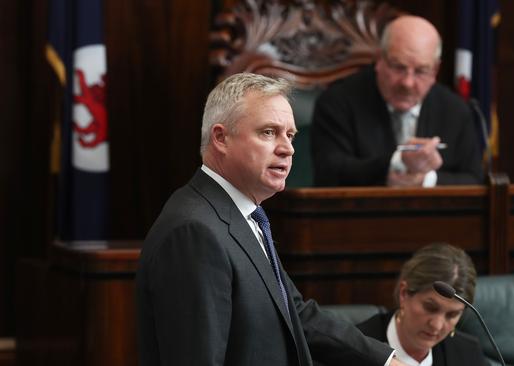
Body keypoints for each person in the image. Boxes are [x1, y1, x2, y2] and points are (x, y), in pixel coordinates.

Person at [136, 73, 409, 366]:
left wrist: (388, 361)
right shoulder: (194, 231)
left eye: (290, 135)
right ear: (220, 138)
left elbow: (295, 313)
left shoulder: (244, 216)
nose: (287, 148)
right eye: (269, 132)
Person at [310, 15, 483, 187]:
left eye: (421, 71)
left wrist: (425, 181)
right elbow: (329, 172)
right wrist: (399, 161)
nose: (407, 83)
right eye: (398, 67)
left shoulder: (455, 110)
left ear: (435, 70)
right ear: (379, 59)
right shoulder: (337, 102)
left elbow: (474, 180)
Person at [356, 243, 488, 366]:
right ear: (404, 293)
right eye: (430, 308)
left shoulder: (468, 353)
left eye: (451, 315)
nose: (436, 325)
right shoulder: (356, 346)